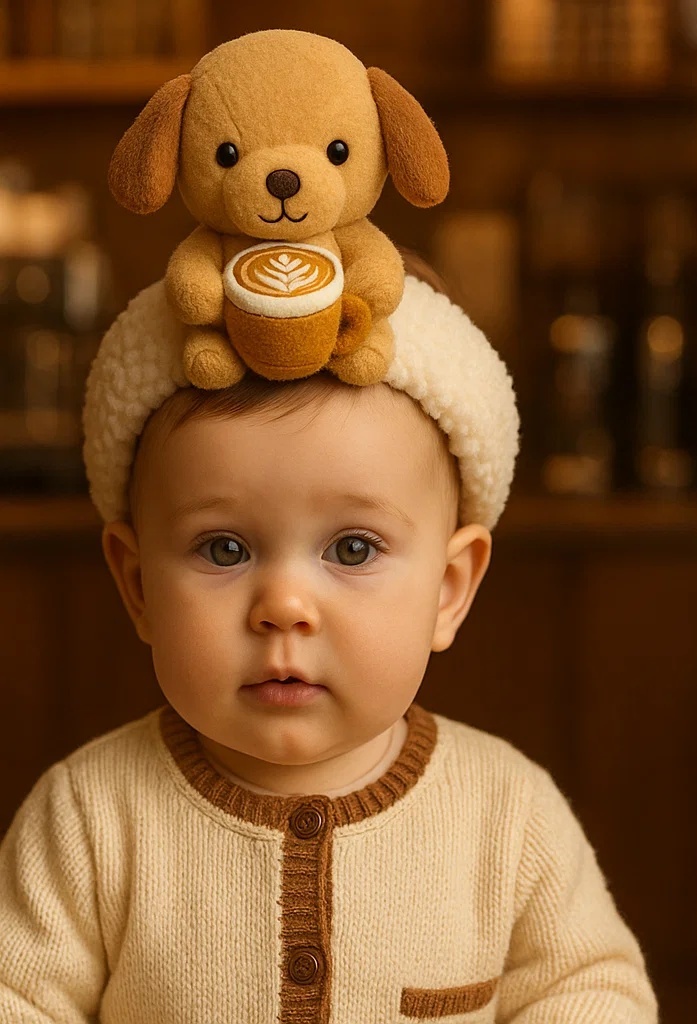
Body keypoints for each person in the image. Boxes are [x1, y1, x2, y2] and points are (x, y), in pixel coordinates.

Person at [0, 252, 658, 1023]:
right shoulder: (88, 816)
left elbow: (589, 990)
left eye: (351, 549)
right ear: (138, 584)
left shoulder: (507, 814)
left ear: (448, 590)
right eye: (224, 549)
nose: (283, 607)